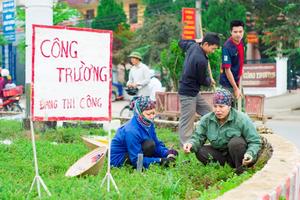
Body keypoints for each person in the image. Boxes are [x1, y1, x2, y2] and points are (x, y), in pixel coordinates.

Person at [183, 88, 261, 174]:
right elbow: (198, 137)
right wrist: (191, 144)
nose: (218, 110)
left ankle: (241, 169)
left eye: (221, 106)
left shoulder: (241, 119)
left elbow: (255, 141)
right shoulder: (207, 119)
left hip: (241, 156)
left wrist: (250, 153)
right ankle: (223, 169)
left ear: (229, 106)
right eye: (215, 106)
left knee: (236, 143)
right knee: (200, 151)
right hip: (221, 155)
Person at [110, 96, 178, 169]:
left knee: (151, 144)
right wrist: (160, 160)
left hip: (132, 151)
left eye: (154, 113)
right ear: (139, 114)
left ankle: (150, 160)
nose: (152, 116)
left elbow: (156, 144)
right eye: (148, 114)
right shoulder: (131, 130)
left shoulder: (148, 123)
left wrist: (167, 153)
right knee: (149, 145)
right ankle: (149, 162)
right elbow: (136, 160)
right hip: (119, 159)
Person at [178, 32, 220, 145]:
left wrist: (196, 40)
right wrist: (209, 81)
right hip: (188, 93)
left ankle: (212, 138)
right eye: (213, 48)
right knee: (187, 121)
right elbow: (202, 80)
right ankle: (185, 146)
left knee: (209, 113)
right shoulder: (200, 60)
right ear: (206, 44)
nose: (213, 51)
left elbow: (181, 42)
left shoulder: (193, 46)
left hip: (194, 92)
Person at [219, 20, 245, 110]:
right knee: (229, 110)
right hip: (228, 85)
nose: (238, 34)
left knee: (241, 108)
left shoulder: (241, 43)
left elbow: (240, 61)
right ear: (231, 32)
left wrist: (241, 72)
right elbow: (227, 70)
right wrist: (235, 88)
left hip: (238, 83)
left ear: (243, 32)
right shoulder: (227, 47)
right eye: (235, 32)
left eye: (240, 32)